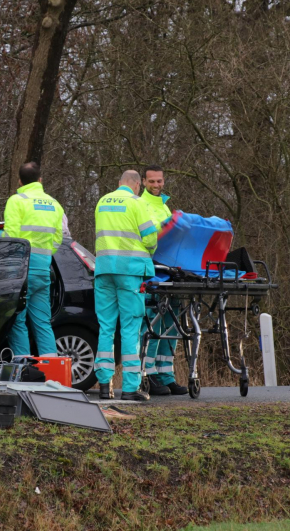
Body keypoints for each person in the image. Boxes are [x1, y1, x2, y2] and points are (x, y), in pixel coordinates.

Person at [93, 170, 158, 402]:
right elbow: (150, 239)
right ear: (137, 185)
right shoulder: (137, 203)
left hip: (103, 270)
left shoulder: (102, 202)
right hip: (129, 272)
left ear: (119, 183)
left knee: (106, 326)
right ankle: (130, 388)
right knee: (130, 327)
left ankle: (103, 384)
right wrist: (147, 254)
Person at [0, 162, 64, 358]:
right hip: (43, 270)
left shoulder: (17, 201)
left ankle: (22, 369)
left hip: (21, 270)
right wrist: (44, 254)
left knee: (17, 320)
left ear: (19, 181)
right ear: (40, 180)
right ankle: (52, 372)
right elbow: (58, 238)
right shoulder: (54, 204)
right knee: (42, 322)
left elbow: (12, 238)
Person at [141, 165, 187, 396]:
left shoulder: (164, 206)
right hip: (152, 271)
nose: (157, 185)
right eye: (152, 182)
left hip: (168, 271)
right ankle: (148, 375)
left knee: (171, 323)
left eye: (160, 181)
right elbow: (149, 237)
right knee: (152, 323)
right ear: (143, 182)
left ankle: (165, 374)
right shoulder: (141, 205)